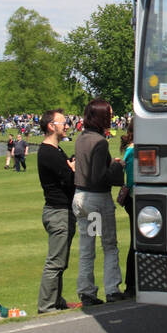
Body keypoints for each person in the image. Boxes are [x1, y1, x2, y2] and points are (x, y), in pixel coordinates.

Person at [73, 99, 126, 306]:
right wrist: (116, 167)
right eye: (109, 115)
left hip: (80, 197)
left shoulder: (81, 138)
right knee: (109, 245)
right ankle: (112, 289)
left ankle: (86, 291)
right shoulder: (100, 142)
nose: (111, 119)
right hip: (96, 200)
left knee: (87, 246)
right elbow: (99, 176)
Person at [36, 110, 76, 313]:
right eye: (63, 122)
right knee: (55, 262)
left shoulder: (57, 151)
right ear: (51, 125)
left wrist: (71, 167)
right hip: (58, 212)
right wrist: (73, 170)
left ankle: (56, 299)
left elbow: (68, 171)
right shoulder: (48, 153)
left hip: (63, 211)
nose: (67, 125)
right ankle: (46, 305)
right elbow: (69, 180)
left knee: (62, 260)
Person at [118, 118, 136, 299]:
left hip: (134, 199)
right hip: (135, 199)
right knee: (136, 242)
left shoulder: (130, 149)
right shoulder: (133, 150)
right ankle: (131, 284)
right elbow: (131, 180)